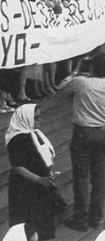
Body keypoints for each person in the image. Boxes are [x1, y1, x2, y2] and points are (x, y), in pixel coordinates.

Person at [56, 52, 105, 232]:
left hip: (83, 133)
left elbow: (62, 88)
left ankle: (81, 218)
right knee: (99, 176)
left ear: (92, 66)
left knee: (81, 177)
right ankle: (96, 216)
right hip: (103, 132)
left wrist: (75, 72)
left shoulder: (83, 83)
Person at [5, 104, 62, 240]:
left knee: (42, 224)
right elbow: (18, 167)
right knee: (28, 225)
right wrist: (39, 179)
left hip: (40, 186)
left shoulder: (35, 134)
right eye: (36, 118)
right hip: (24, 188)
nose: (40, 120)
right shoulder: (17, 139)